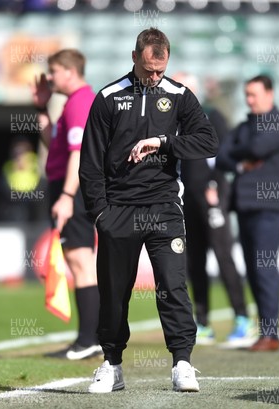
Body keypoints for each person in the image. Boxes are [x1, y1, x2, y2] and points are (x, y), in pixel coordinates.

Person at [79, 28, 218, 393]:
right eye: (148, 70)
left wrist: (163, 142)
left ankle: (183, 363)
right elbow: (90, 163)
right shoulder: (108, 97)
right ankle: (111, 364)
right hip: (118, 210)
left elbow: (208, 140)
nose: (154, 77)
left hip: (164, 208)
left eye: (160, 70)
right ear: (134, 57)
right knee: (114, 290)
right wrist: (100, 214)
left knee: (172, 286)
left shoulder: (178, 96)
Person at [172, 72, 254, 347]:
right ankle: (203, 322)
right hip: (186, 198)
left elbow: (225, 154)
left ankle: (242, 317)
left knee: (223, 256)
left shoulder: (211, 116)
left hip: (211, 196)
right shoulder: (172, 120)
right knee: (194, 261)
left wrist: (215, 185)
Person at [30, 49, 101, 360]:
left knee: (81, 262)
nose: (50, 77)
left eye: (54, 71)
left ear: (70, 72)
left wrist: (67, 196)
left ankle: (89, 341)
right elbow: (55, 146)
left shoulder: (81, 102)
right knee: (78, 262)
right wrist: (43, 108)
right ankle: (88, 339)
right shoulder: (71, 103)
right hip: (69, 187)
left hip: (74, 189)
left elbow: (77, 154)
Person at [217, 75, 279, 352]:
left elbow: (258, 147)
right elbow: (223, 155)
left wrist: (241, 154)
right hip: (245, 205)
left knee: (264, 267)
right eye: (247, 95)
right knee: (252, 269)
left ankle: (271, 334)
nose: (250, 100)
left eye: (254, 94)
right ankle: (265, 330)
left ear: (269, 94)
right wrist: (243, 161)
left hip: (269, 208)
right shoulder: (245, 125)